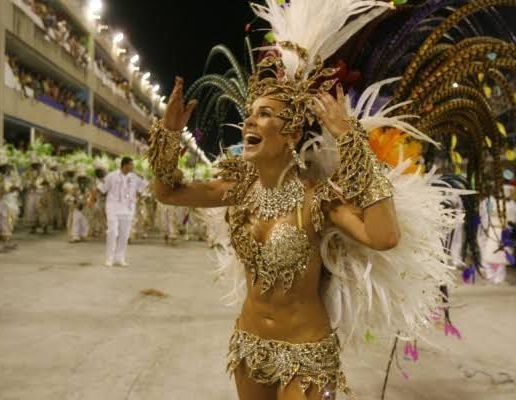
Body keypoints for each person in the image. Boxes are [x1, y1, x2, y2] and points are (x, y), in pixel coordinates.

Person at [149, 1, 466, 399]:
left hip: (307, 354)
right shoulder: (238, 190)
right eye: (250, 113)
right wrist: (168, 138)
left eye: (264, 114)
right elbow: (167, 191)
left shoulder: (318, 200)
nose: (248, 121)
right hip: (250, 347)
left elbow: (384, 236)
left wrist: (350, 139)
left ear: (293, 134)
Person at [98, 157, 146, 267]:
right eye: (131, 165)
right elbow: (101, 188)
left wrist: (136, 198)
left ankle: (120, 258)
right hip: (113, 208)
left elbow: (143, 187)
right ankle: (109, 258)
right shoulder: (111, 176)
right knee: (112, 232)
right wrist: (92, 199)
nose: (133, 167)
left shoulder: (134, 177)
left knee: (124, 234)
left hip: (128, 209)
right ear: (125, 165)